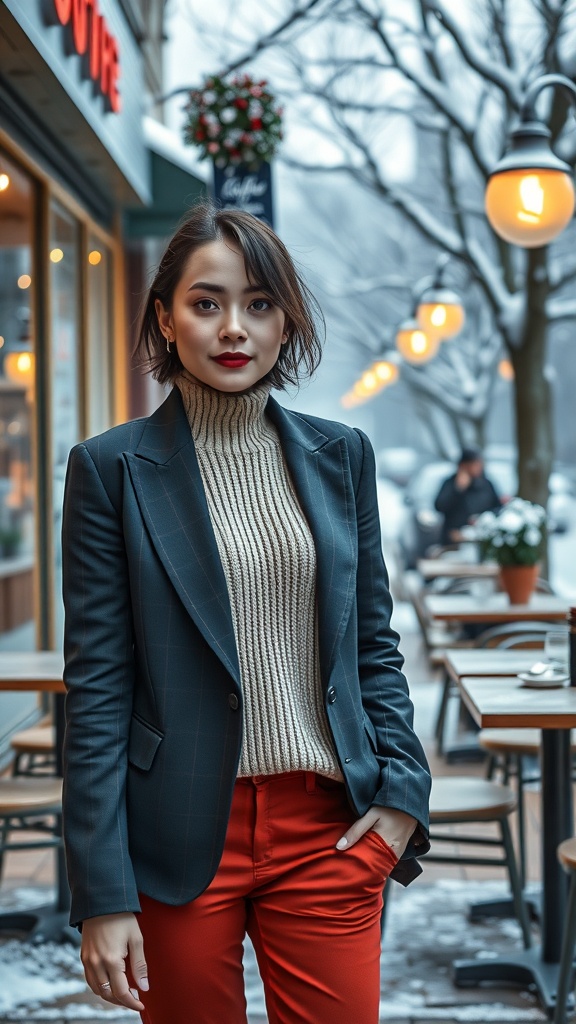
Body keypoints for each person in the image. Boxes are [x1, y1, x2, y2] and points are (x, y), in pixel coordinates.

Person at [61, 202, 431, 1024]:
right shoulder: (110, 470)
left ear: (284, 319)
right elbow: (95, 692)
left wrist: (402, 795)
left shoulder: (342, 456)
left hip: (329, 827)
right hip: (178, 833)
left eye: (259, 303)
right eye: (207, 302)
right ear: (166, 316)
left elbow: (373, 644)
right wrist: (101, 891)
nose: (235, 328)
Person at [434, 446, 501, 546]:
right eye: (474, 464)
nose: (478, 467)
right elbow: (440, 506)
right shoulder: (450, 484)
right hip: (454, 541)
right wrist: (458, 489)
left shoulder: (486, 484)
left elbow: (497, 507)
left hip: (481, 539)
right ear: (463, 466)